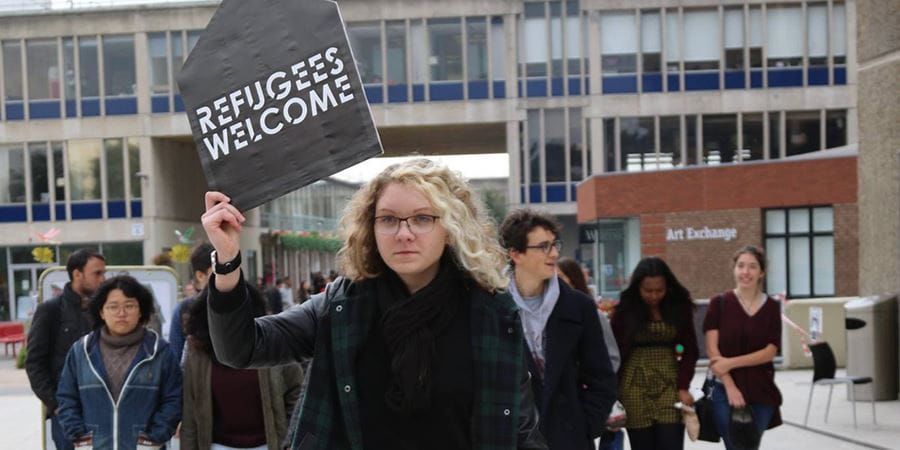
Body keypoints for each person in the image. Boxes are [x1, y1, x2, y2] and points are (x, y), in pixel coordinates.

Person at [201, 159, 545, 449]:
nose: (404, 233)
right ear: (371, 228)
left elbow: (519, 428)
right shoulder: (342, 307)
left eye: (423, 218)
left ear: (451, 228)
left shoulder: (491, 314)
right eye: (389, 219)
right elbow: (241, 348)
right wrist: (228, 260)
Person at [499, 210, 617, 450]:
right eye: (543, 246)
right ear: (516, 254)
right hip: (512, 438)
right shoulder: (491, 306)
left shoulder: (579, 306)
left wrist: (586, 425)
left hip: (569, 437)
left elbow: (602, 378)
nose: (554, 253)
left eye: (555, 245)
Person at [56, 275, 182, 449]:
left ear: (140, 311)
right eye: (113, 307)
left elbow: (173, 400)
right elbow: (67, 398)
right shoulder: (81, 351)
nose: (121, 313)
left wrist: (154, 438)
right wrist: (80, 437)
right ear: (101, 312)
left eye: (129, 306)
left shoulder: (160, 352)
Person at [181, 284, 303, 450]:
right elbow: (190, 413)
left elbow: (296, 395)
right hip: (218, 445)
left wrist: (290, 439)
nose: (229, 318)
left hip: (270, 444)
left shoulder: (273, 340)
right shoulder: (197, 351)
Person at [610, 257, 699, 450]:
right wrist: (613, 391)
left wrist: (683, 386)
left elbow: (690, 350)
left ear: (668, 287)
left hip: (670, 383)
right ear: (637, 288)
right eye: (648, 291)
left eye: (659, 290)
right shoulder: (624, 311)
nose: (654, 296)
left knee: (671, 441)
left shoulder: (679, 308)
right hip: (633, 384)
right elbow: (614, 353)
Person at [26, 249, 106, 450]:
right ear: (77, 274)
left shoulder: (104, 310)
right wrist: (57, 405)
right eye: (97, 273)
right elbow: (35, 363)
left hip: (103, 409)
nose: (103, 279)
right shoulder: (51, 310)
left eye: (103, 273)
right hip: (68, 414)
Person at [703, 246, 782, 449]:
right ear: (734, 269)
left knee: (749, 446)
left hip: (761, 391)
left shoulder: (772, 307)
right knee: (735, 445)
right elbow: (712, 350)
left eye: (752, 267)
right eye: (741, 266)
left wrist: (729, 363)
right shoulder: (718, 304)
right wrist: (730, 387)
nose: (746, 272)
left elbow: (770, 351)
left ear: (762, 272)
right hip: (724, 391)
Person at [556, 257, 622, 450]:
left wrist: (591, 395)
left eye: (560, 277)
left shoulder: (589, 312)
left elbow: (612, 358)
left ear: (573, 280)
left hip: (584, 402)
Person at [169, 243, 215, 365]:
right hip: (198, 376)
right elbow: (175, 360)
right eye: (218, 271)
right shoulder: (184, 310)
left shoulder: (240, 303)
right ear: (200, 275)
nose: (225, 276)